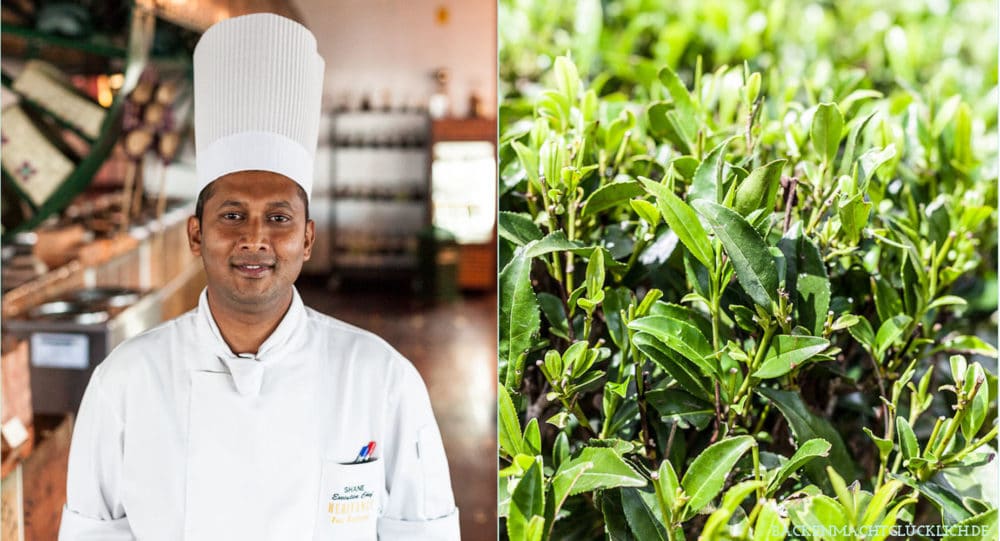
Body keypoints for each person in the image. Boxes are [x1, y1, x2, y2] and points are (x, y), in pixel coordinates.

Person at [58, 13, 459, 540]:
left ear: (308, 239)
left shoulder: (382, 379)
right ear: (196, 235)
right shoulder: (125, 383)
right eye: (231, 215)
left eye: (278, 217)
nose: (255, 238)